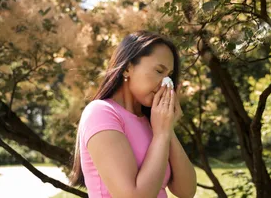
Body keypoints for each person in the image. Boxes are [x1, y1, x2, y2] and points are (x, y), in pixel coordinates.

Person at [69, 30, 197, 198]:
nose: (166, 84)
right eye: (159, 71)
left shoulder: (153, 123)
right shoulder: (101, 113)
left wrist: (167, 129)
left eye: (169, 76)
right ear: (128, 68)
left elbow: (186, 191)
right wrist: (161, 134)